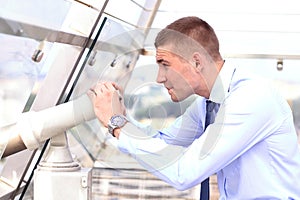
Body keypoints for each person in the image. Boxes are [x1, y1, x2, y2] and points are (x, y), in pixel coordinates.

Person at [88, 16, 300, 199]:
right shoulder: (206, 104)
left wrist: (117, 125)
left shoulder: (251, 98)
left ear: (197, 62)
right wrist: (122, 117)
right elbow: (163, 141)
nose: (159, 78)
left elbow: (185, 173)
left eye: (165, 65)